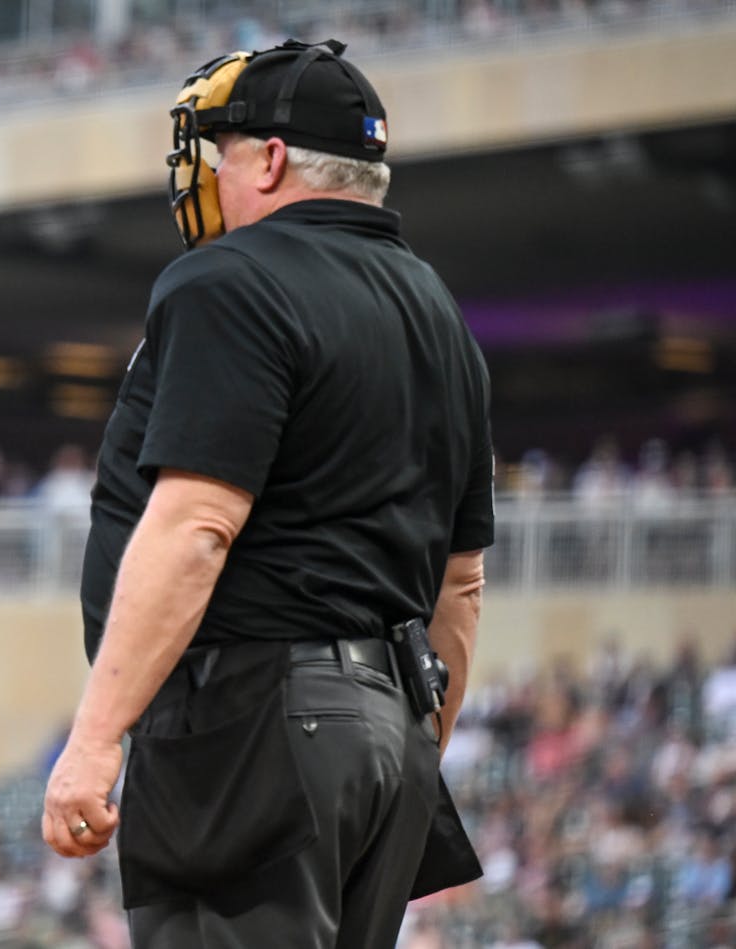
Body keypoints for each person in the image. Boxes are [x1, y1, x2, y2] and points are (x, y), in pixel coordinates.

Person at [41, 40, 493, 948]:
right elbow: (462, 584)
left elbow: (198, 524)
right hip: (393, 730)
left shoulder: (228, 279)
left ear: (273, 158)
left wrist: (95, 737)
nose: (209, 175)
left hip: (257, 725)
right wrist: (403, 745)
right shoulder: (438, 308)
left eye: (224, 153)